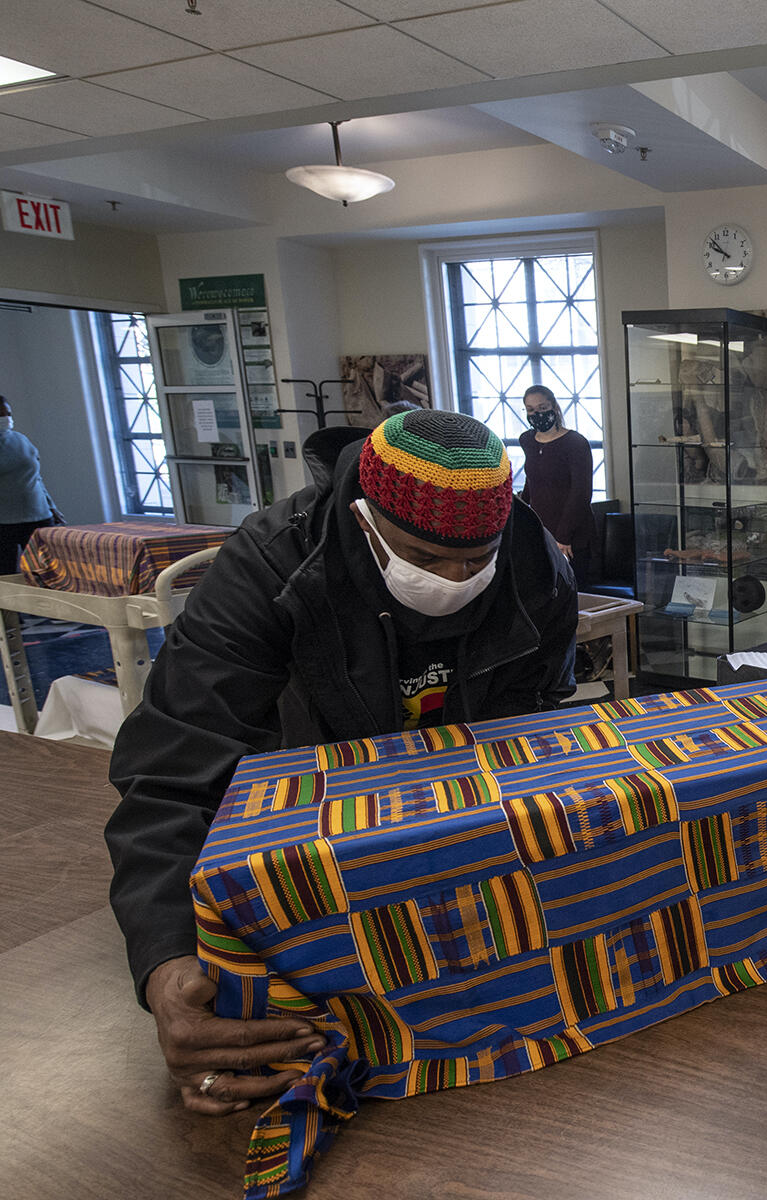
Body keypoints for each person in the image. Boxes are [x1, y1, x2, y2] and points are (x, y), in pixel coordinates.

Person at [105, 409, 578, 1115]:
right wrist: (166, 957)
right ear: (363, 519)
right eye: (423, 559)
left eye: (476, 561)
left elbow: (532, 734)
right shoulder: (271, 566)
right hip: (299, 831)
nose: (454, 579)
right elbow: (174, 769)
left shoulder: (533, 566)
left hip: (455, 844)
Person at [517, 385, 594, 560]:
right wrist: (518, 512)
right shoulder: (527, 440)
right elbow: (532, 480)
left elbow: (581, 492)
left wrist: (563, 536)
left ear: (554, 407)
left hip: (572, 533)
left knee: (571, 584)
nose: (537, 414)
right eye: (531, 410)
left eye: (542, 408)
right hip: (541, 529)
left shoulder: (576, 443)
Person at [0, 395, 58, 575]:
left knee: (45, 570)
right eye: (0, 414)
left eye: (7, 413)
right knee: (6, 572)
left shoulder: (22, 440)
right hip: (5, 522)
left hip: (38, 516)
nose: (6, 418)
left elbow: (36, 478)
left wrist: (52, 507)